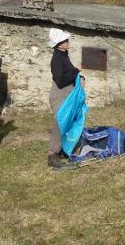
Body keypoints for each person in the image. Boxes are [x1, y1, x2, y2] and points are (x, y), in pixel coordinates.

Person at [48, 28, 85, 168]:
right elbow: (61, 80)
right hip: (59, 94)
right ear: (59, 44)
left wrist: (80, 77)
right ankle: (52, 155)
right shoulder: (57, 58)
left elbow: (69, 74)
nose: (68, 41)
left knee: (69, 121)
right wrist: (76, 70)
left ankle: (67, 151)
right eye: (65, 40)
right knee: (60, 122)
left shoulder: (64, 55)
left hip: (67, 94)